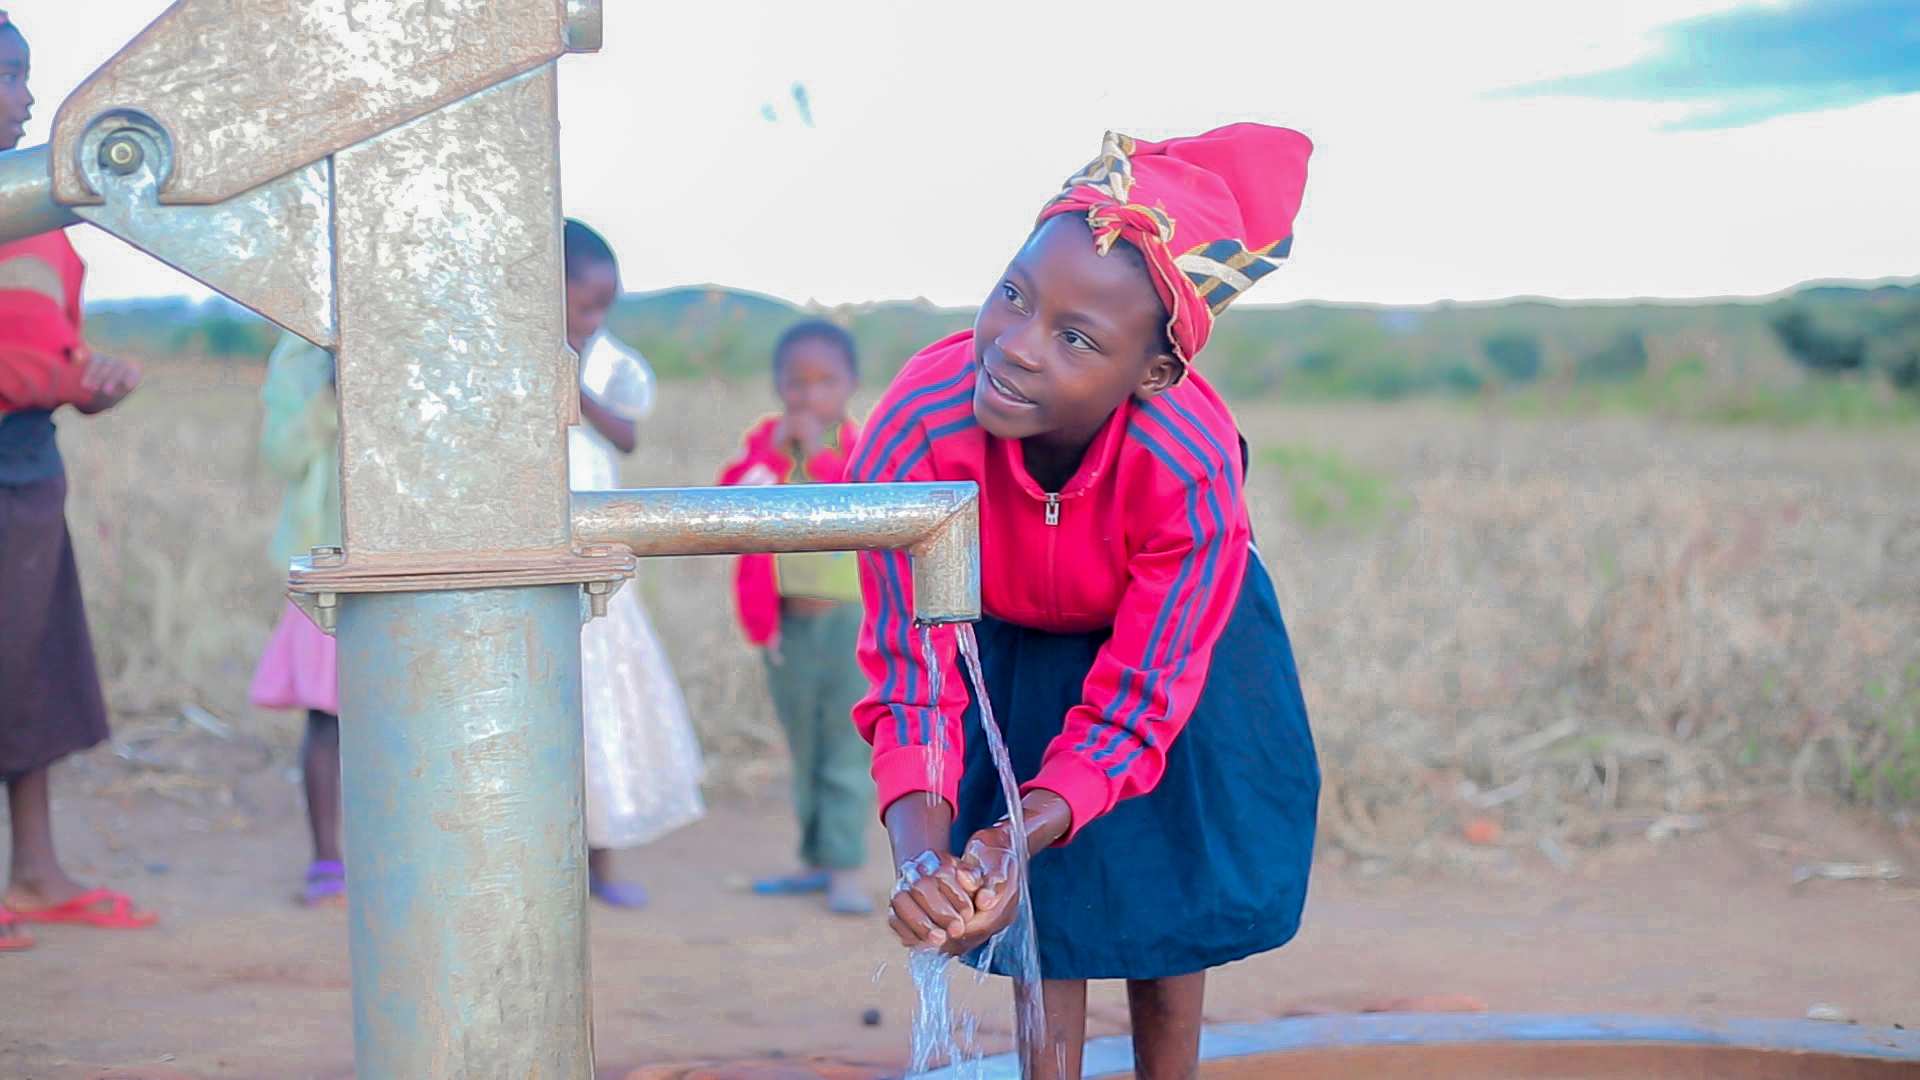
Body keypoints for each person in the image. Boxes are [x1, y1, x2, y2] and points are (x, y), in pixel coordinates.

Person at [850, 125, 1321, 1078]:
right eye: (1013, 295)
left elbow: (1141, 702)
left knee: (1167, 891)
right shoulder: (917, 429)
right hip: (1009, 634)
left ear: (1151, 375)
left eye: (1076, 338)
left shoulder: (1186, 464)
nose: (1016, 349)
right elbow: (915, 676)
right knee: (1041, 922)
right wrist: (930, 860)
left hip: (1181, 654)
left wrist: (1015, 828)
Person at [0, 9, 157, 951]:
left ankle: (36, 871)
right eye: (5, 75)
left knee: (35, 674)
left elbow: (57, 353)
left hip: (28, 471)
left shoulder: (46, 225)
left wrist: (95, 382)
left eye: (25, 76)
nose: (23, 99)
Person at [564, 219, 704, 908]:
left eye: (603, 306)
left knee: (603, 708)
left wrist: (573, 386)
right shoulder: (501, 359)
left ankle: (602, 865)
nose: (595, 319)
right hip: (537, 554)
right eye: (583, 304)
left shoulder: (606, 363)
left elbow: (624, 434)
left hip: (597, 561)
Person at [719, 320, 874, 916]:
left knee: (843, 743)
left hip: (849, 624)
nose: (810, 395)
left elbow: (859, 505)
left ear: (850, 384)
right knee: (804, 745)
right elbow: (730, 501)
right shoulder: (767, 443)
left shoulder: (861, 448)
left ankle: (844, 866)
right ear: (779, 386)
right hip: (784, 623)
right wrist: (774, 452)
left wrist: (817, 454)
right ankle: (814, 860)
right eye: (796, 382)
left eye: (825, 381)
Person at [246, 331, 346, 906]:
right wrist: (332, 392)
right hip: (325, 559)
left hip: (406, 558)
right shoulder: (297, 356)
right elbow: (282, 453)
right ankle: (327, 859)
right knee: (326, 717)